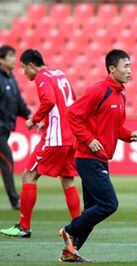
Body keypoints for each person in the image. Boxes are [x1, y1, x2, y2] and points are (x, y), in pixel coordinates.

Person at [59, 49, 137, 262]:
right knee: (109, 204)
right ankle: (69, 230)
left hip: (100, 158)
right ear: (112, 68)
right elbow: (72, 114)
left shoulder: (120, 95)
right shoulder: (98, 90)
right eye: (125, 66)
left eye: (130, 66)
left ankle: (71, 251)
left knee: (92, 209)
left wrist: (129, 135)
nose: (129, 71)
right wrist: (88, 139)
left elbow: (115, 127)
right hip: (87, 158)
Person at [0, 49, 81, 238]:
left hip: (56, 137)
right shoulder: (59, 73)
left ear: (30, 65)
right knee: (67, 179)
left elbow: (49, 101)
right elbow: (72, 103)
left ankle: (24, 226)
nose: (23, 72)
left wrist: (34, 119)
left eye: (23, 68)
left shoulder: (42, 77)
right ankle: (78, 227)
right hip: (71, 136)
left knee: (28, 176)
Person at [0, 45, 31, 210]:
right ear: (1, 60)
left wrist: (32, 117)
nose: (14, 59)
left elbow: (20, 103)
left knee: (7, 162)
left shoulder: (11, 78)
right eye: (10, 56)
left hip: (5, 130)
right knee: (8, 162)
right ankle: (15, 201)